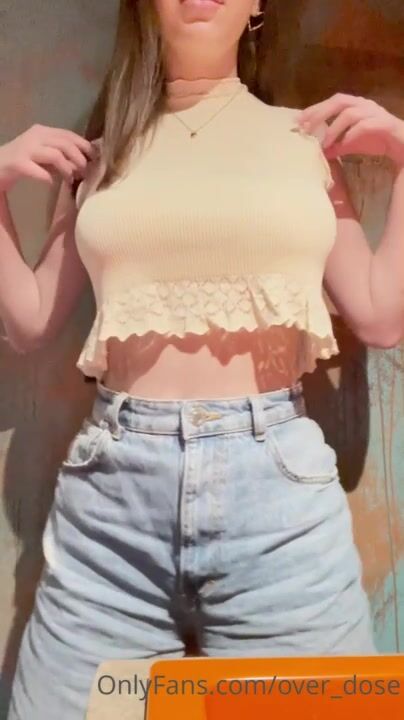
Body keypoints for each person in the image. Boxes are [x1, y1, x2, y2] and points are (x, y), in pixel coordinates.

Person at [2, 0, 404, 718]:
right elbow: (30, 321)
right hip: (110, 513)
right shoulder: (102, 155)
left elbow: (380, 315)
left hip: (280, 507)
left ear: (257, 6)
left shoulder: (305, 141)